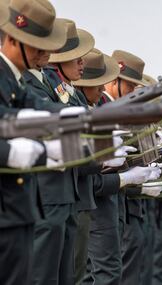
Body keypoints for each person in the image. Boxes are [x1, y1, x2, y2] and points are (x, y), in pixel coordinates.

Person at [73, 48, 161, 285]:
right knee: (103, 274)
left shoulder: (104, 108)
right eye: (130, 86)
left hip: (112, 206)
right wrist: (129, 181)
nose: (133, 93)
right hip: (95, 206)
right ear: (116, 81)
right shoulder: (93, 108)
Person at [0, 0, 72, 283]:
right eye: (35, 44)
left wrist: (81, 116)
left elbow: (38, 106)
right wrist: (7, 153)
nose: (45, 53)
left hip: (17, 209)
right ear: (13, 39)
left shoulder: (13, 79)